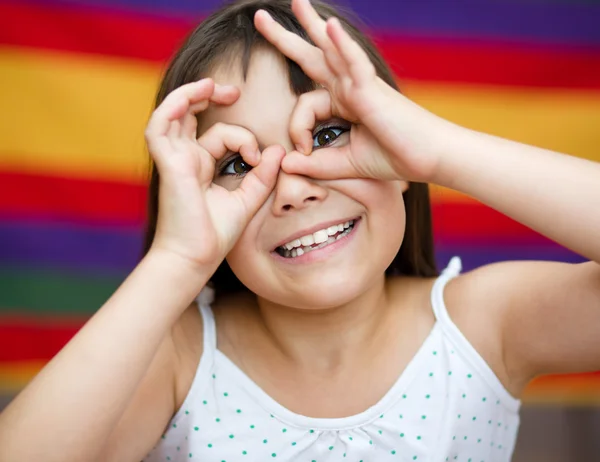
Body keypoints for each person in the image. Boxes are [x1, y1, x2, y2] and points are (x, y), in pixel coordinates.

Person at [1, 0, 599, 460]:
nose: (293, 188)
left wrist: (439, 150)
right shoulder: (179, 359)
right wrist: (178, 259)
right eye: (237, 165)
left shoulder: (482, 324)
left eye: (331, 133)